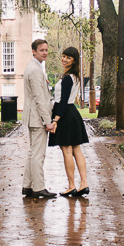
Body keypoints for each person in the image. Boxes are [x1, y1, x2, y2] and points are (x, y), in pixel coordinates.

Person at [48, 46, 89, 196]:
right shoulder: (75, 76)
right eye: (63, 56)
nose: (64, 59)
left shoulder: (67, 78)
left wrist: (56, 119)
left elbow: (63, 100)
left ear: (74, 60)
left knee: (67, 151)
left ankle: (72, 185)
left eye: (68, 57)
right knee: (76, 150)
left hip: (65, 114)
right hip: (72, 113)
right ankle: (83, 183)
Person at [22, 38, 57, 199]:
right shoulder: (35, 70)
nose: (45, 53)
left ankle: (27, 186)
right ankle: (38, 187)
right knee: (38, 154)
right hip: (37, 119)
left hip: (32, 118)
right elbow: (39, 98)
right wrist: (47, 121)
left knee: (32, 152)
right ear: (34, 51)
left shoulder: (35, 67)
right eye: (42, 50)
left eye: (46, 50)